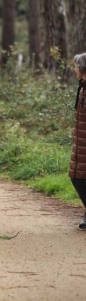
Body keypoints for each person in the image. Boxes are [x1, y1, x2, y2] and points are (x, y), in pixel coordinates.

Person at [69, 52, 86, 230]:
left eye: (75, 66)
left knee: (79, 178)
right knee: (77, 178)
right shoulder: (82, 87)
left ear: (82, 69)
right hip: (81, 142)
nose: (74, 69)